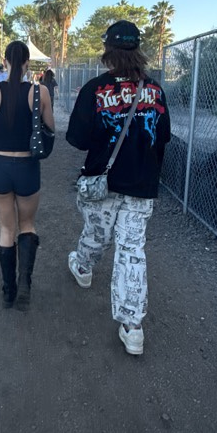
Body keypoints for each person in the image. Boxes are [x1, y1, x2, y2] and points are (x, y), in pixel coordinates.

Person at [65, 20, 170, 356]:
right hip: (141, 182)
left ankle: (83, 267)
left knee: (98, 234)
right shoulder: (155, 90)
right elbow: (163, 137)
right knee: (131, 249)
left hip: (102, 181)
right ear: (138, 50)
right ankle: (132, 327)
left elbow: (78, 139)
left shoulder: (94, 89)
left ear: (108, 50)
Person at [0, 40, 54, 310]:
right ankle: (25, 284)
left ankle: (8, 290)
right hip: (27, 167)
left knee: (6, 228)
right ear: (27, 64)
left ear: (5, 61)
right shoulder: (40, 92)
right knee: (27, 224)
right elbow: (50, 129)